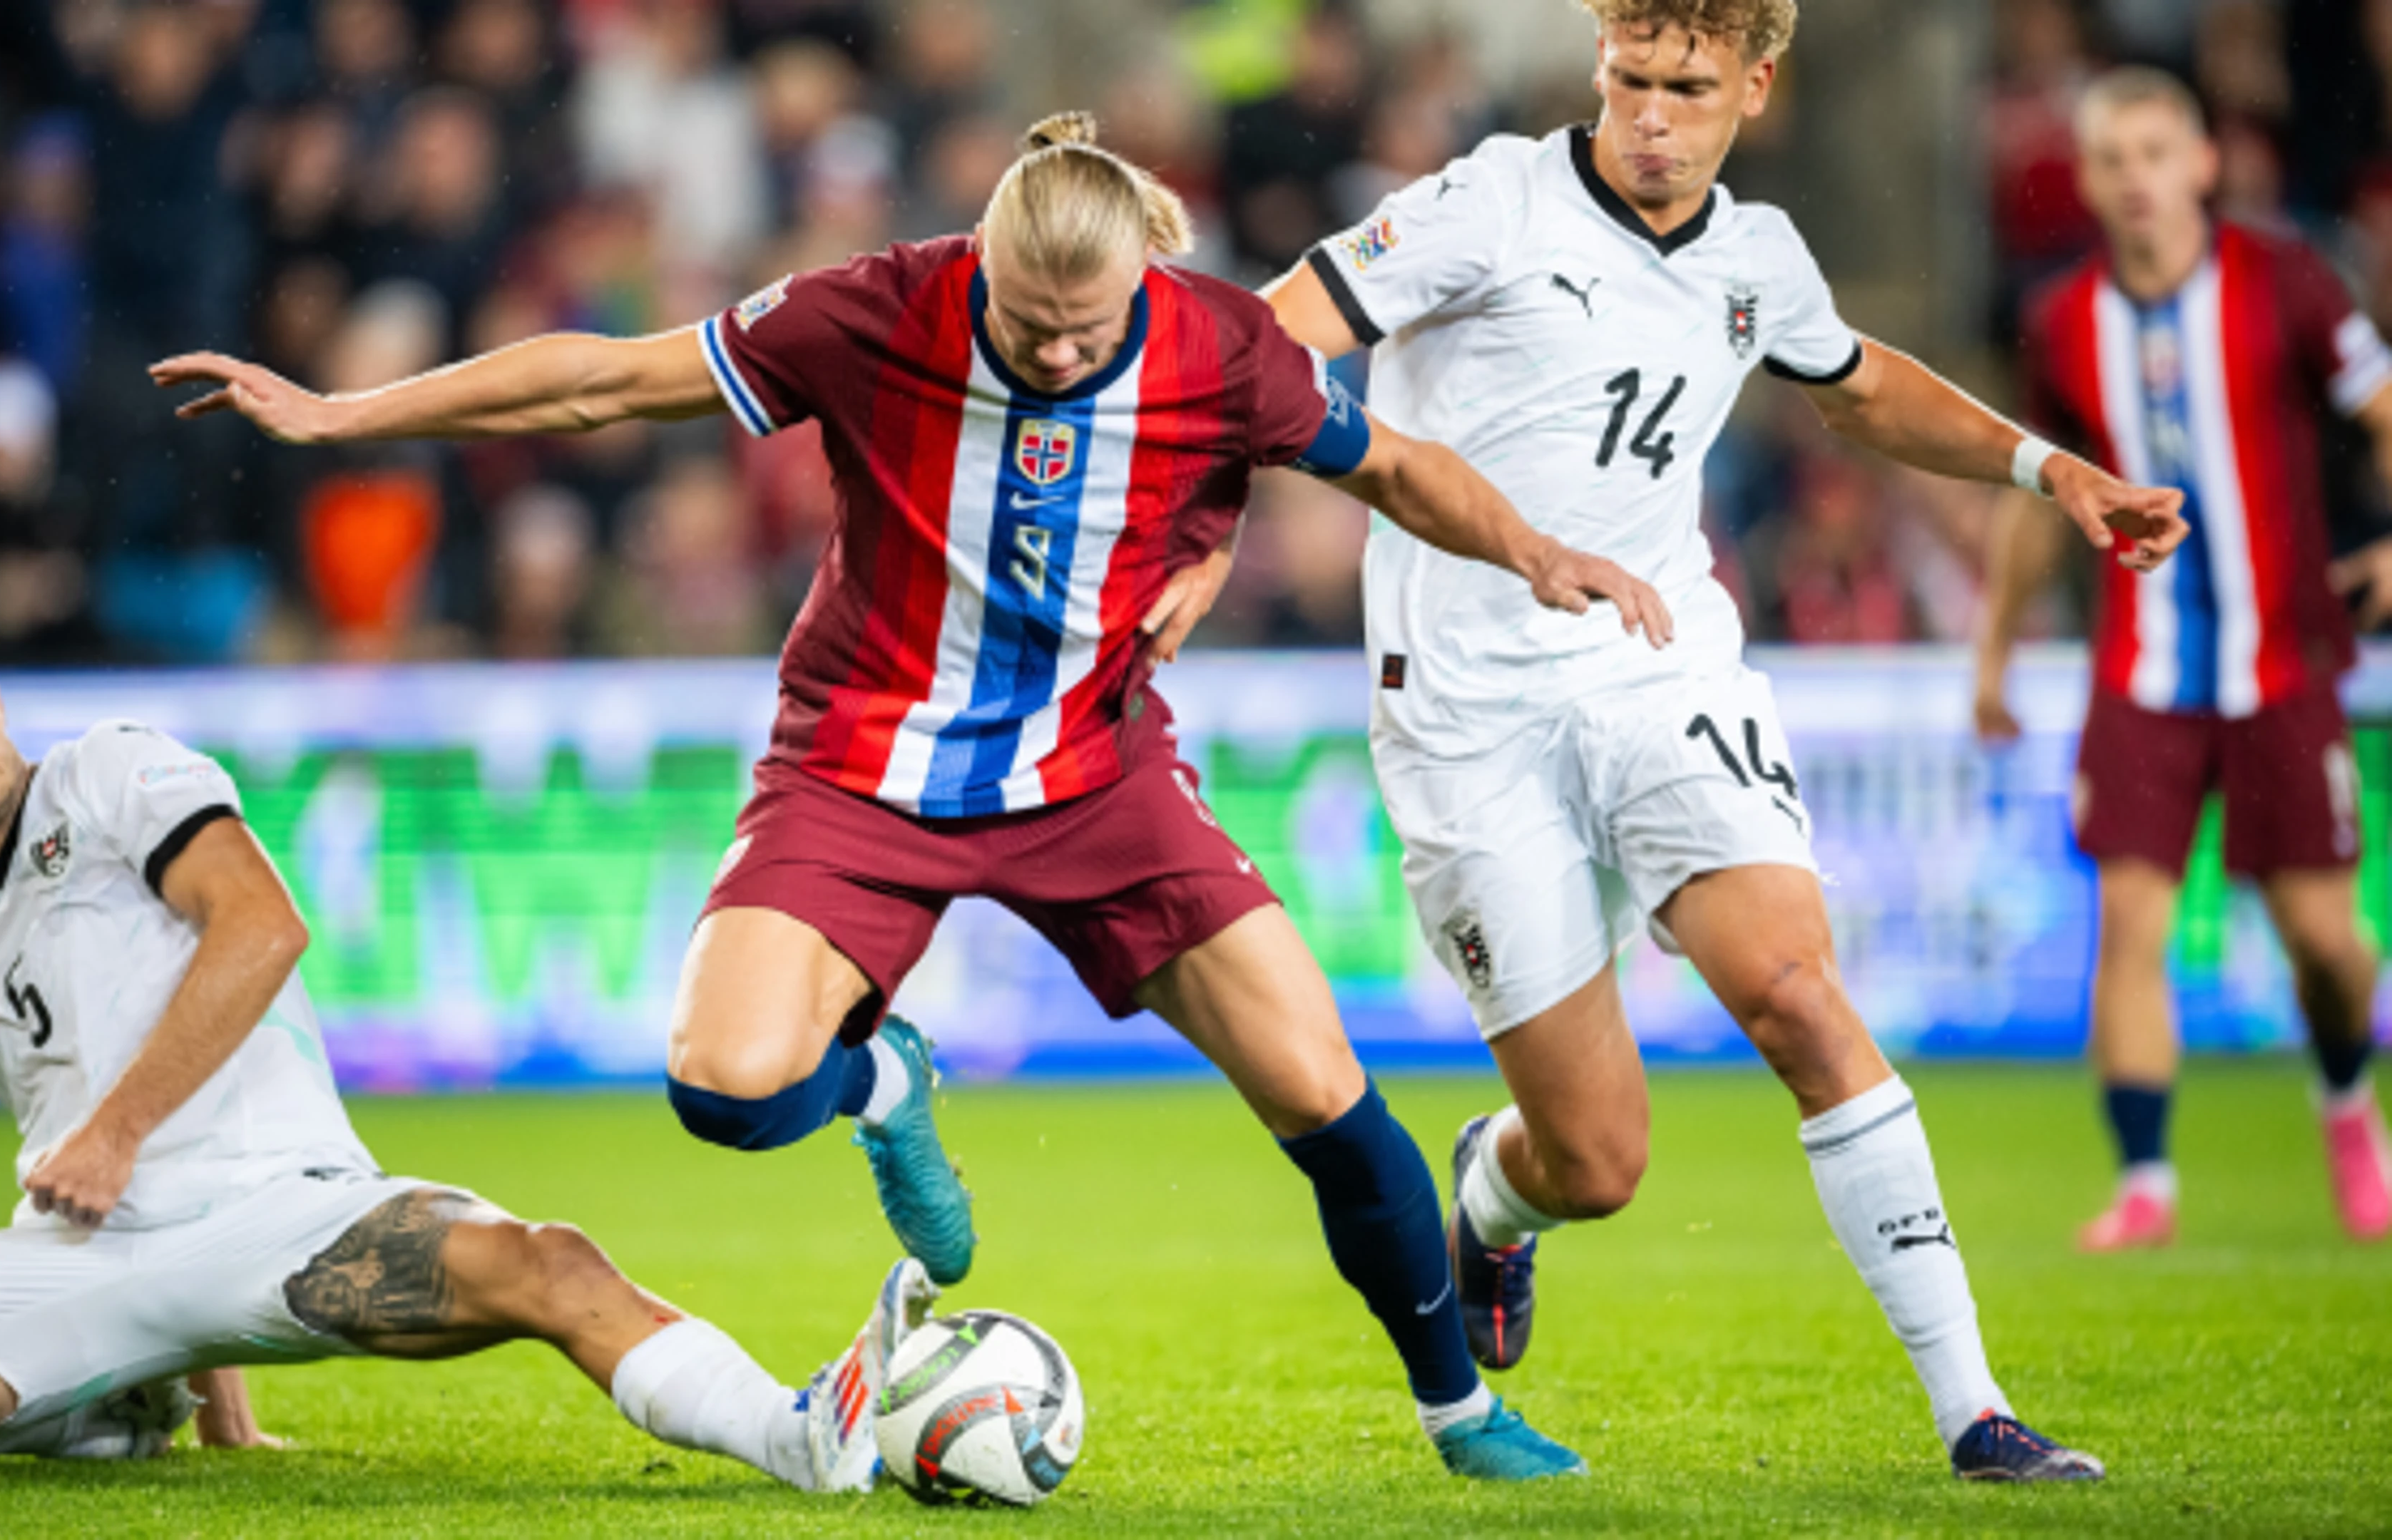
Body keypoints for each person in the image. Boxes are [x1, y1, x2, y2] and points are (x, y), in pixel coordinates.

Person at [152, 113, 1675, 1480]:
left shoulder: (1218, 345)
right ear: (982, 271)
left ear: (1143, 276)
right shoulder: (876, 309)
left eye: (1089, 332)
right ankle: (884, 1084)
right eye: (1032, 324)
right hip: (861, 765)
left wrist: (1539, 556)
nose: (1062, 357)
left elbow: (1396, 468)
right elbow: (607, 385)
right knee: (725, 1093)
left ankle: (1461, 1414)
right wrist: (345, 416)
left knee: (1323, 1094)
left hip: (1096, 769)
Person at [1262, 0, 2188, 1482]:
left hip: (1656, 667)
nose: (1648, 116)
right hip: (1465, 713)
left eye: (1687, 89)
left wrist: (2043, 464)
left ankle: (1974, 1412)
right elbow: (1261, 342)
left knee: (1799, 991)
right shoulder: (1486, 201)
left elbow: (1863, 384)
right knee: (1598, 1161)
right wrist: (1194, 533)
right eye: (1629, 80)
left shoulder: (1756, 261)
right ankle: (1496, 1197)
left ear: (1757, 86)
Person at [0, 597, 931, 1486]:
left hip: (282, 1214)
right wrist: (207, 1374)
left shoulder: (110, 774)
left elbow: (260, 929)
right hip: (82, 1264)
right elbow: (72, 1150)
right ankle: (117, 1411)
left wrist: (119, 1138)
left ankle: (796, 1433)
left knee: (548, 1266)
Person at [1972, 66, 2392, 1251]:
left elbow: (2381, 409)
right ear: (2090, 180)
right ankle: (2147, 1185)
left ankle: (2347, 1102)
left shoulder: (2291, 282)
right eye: (2115, 159)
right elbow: (2025, 498)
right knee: (2134, 928)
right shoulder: (2061, 322)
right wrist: (1992, 657)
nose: (2139, 179)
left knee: (2325, 943)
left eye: (2159, 153)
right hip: (2139, 672)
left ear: (2204, 163)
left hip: (2285, 665)